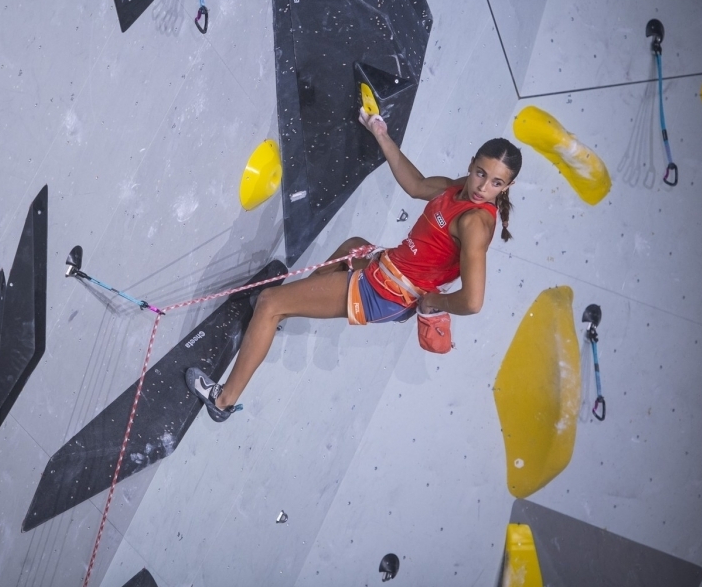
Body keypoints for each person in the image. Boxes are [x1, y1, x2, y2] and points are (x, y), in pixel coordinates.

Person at [185, 109, 523, 422]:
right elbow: (417, 185)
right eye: (481, 173)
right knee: (352, 246)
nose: (483, 187)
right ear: (471, 165)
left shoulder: (475, 223)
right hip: (389, 266)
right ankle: (288, 308)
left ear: (508, 187)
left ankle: (223, 401)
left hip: (388, 292)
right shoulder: (460, 188)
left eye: (496, 183)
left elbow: (472, 302)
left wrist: (433, 301)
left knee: (269, 302)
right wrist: (380, 133)